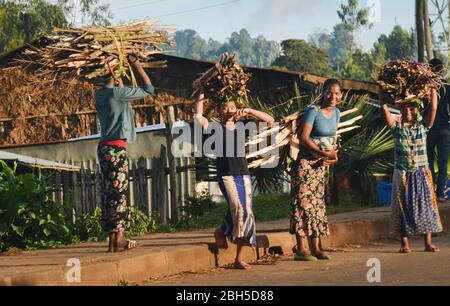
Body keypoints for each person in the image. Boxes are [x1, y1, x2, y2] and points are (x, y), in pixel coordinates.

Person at [195, 94, 274, 269]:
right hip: (226, 175)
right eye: (224, 108)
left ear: (236, 108)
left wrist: (250, 111)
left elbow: (270, 121)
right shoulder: (215, 128)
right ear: (219, 111)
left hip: (243, 174)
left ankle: (231, 246)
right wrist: (202, 93)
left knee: (246, 212)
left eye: (231, 107)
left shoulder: (243, 126)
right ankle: (224, 234)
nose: (228, 110)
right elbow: (199, 118)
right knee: (239, 208)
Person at [95, 54, 155, 252]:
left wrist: (118, 81)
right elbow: (149, 89)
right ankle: (119, 238)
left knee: (110, 193)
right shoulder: (120, 94)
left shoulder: (99, 95)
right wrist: (137, 66)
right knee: (119, 194)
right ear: (115, 71)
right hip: (116, 148)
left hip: (104, 148)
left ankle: (113, 240)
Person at [379, 88, 443, 253]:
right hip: (403, 174)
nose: (408, 111)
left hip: (421, 173)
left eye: (411, 108)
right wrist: (382, 93)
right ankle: (404, 243)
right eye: (404, 108)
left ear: (416, 110)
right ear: (400, 110)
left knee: (426, 207)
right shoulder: (397, 129)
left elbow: (434, 109)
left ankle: (428, 243)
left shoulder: (423, 127)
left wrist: (433, 92)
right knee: (402, 207)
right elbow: (384, 108)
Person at [290, 78, 341, 261]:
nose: (332, 96)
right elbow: (304, 138)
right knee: (302, 204)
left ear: (340, 96)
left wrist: (333, 156)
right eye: (329, 92)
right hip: (305, 164)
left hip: (321, 167)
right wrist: (322, 153)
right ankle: (301, 249)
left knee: (317, 205)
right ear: (323, 93)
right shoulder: (313, 111)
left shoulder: (336, 113)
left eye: (336, 93)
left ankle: (317, 248)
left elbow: (334, 139)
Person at [427, 58, 450, 203]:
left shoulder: (424, 87)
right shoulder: (447, 87)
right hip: (445, 129)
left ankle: (429, 193)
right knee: (442, 163)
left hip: (428, 128)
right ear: (441, 70)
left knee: (428, 161)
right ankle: (440, 194)